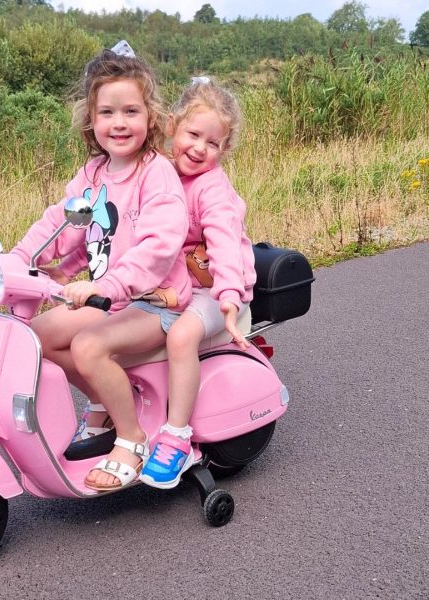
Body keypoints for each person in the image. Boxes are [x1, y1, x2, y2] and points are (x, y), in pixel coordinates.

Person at [11, 42, 192, 491]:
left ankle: (133, 438)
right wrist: (19, 258)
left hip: (155, 304)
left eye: (131, 111)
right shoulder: (92, 174)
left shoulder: (156, 173)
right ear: (91, 119)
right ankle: (108, 401)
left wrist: (107, 284)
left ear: (150, 117)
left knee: (89, 346)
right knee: (34, 339)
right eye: (107, 112)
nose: (119, 123)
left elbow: (158, 248)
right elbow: (60, 221)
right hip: (109, 299)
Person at [138, 77, 257, 489]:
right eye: (193, 134)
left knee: (181, 337)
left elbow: (224, 242)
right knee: (113, 321)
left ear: (224, 151)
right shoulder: (160, 173)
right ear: (172, 127)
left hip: (216, 289)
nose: (200, 148)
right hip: (175, 284)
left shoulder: (211, 188)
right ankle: (113, 413)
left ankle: (176, 436)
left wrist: (229, 297)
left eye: (213, 143)